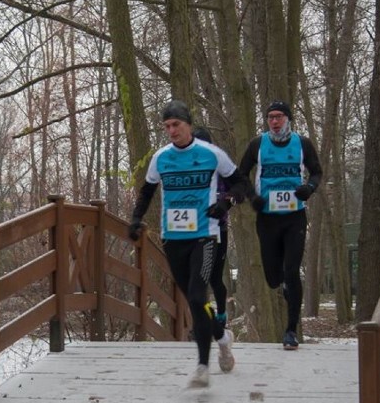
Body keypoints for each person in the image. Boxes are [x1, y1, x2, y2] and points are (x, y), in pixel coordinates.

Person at [128, 99, 249, 388]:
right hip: (174, 238)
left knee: (197, 296)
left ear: (188, 125)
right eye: (167, 126)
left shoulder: (211, 154)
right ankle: (222, 338)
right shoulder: (161, 158)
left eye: (176, 125)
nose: (171, 131)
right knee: (195, 302)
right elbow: (146, 192)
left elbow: (241, 184)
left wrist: (225, 203)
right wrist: (135, 219)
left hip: (204, 236)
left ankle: (202, 367)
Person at [238, 100, 323, 350]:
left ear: (288, 119)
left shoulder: (302, 144)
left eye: (279, 117)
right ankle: (282, 283)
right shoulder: (257, 145)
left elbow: (317, 172)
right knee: (273, 277)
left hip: (294, 217)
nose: (274, 122)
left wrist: (309, 188)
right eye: (270, 117)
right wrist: (253, 198)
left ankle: (290, 332)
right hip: (267, 218)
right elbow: (240, 174)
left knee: (292, 270)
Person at [192, 127, 230, 330]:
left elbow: (233, 192)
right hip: (193, 231)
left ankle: (222, 314)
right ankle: (203, 321)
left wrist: (223, 203)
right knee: (197, 279)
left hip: (218, 229)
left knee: (215, 278)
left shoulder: (220, 165)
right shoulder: (187, 166)